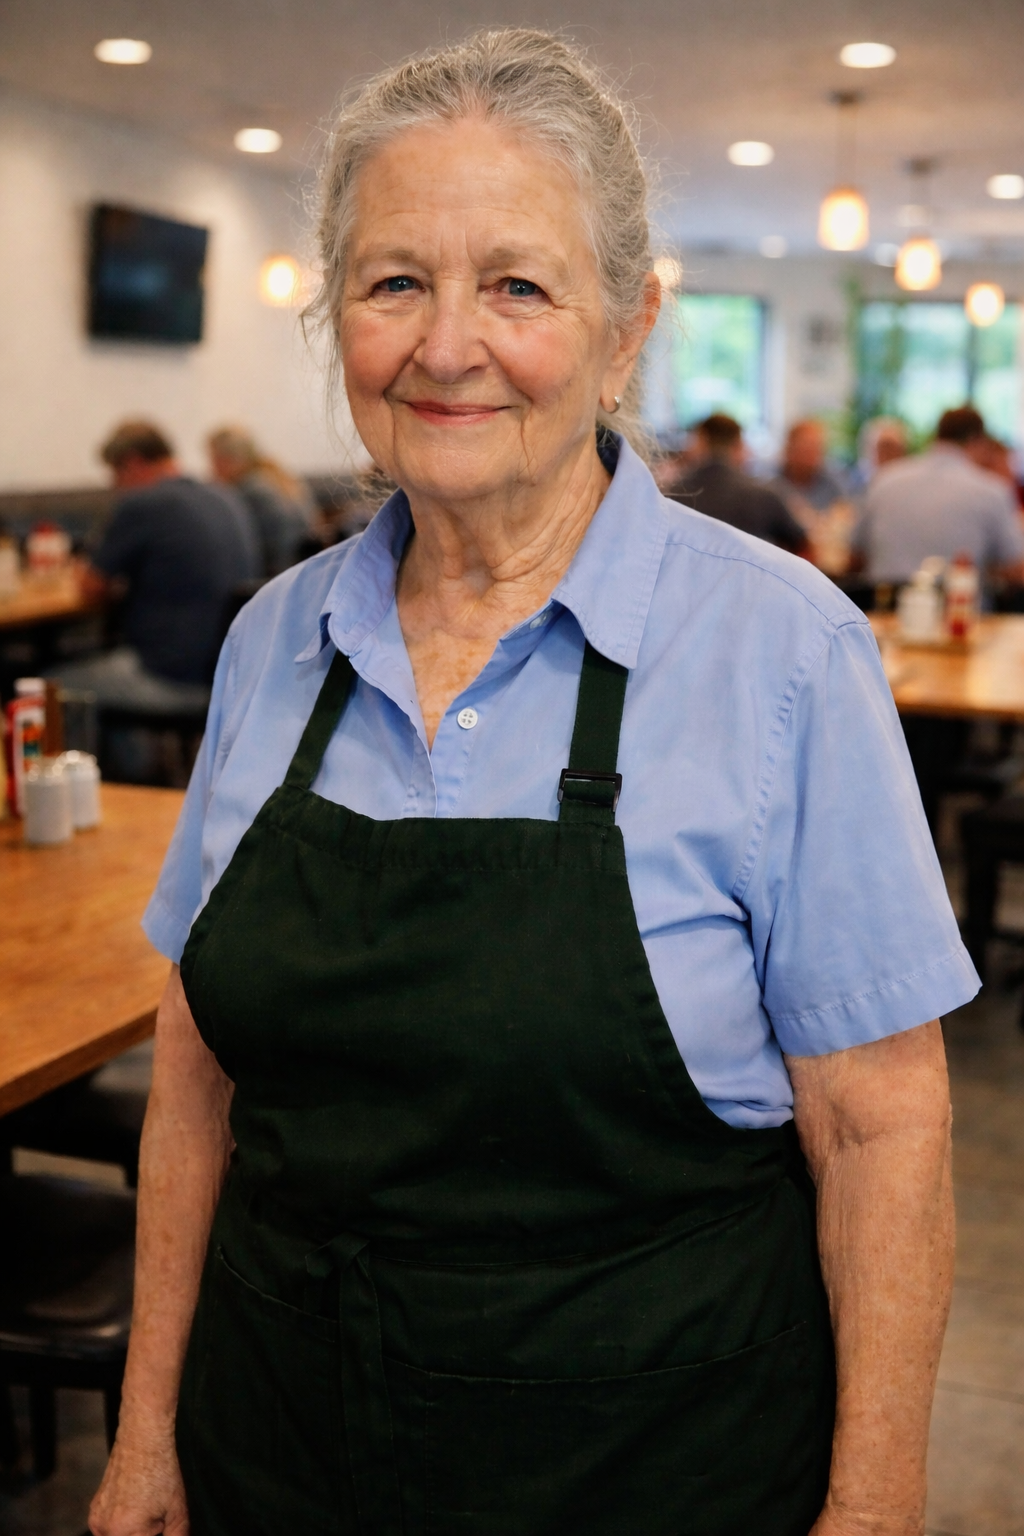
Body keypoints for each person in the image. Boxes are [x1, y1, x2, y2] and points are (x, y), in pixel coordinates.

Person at [90, 31, 976, 1536]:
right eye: (393, 283)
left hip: (654, 1462)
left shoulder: (782, 652)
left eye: (516, 284)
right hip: (278, 1445)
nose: (446, 346)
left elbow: (884, 1129)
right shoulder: (271, 641)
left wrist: (875, 1507)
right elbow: (196, 1076)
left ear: (626, 329)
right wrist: (145, 1435)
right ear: (337, 318)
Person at [52, 423, 259, 776]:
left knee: (51, 686)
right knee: (107, 666)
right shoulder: (224, 494)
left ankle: (100, 796)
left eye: (115, 474)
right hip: (231, 672)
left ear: (131, 463)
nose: (114, 486)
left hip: (174, 678)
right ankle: (139, 774)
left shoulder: (142, 503)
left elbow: (91, 585)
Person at [861, 405, 1024, 588]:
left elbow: (855, 552)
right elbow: (1016, 568)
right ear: (977, 441)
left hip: (882, 608)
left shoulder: (884, 480)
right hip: (959, 610)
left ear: (937, 436)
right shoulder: (991, 490)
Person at [668, 412, 807, 552]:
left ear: (701, 442)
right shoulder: (764, 495)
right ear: (737, 445)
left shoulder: (674, 495)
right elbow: (802, 544)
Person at [207, 426, 318, 576]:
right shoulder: (277, 478)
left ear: (227, 460)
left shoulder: (248, 491)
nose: (210, 470)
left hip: (277, 577)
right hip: (303, 570)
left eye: (213, 461)